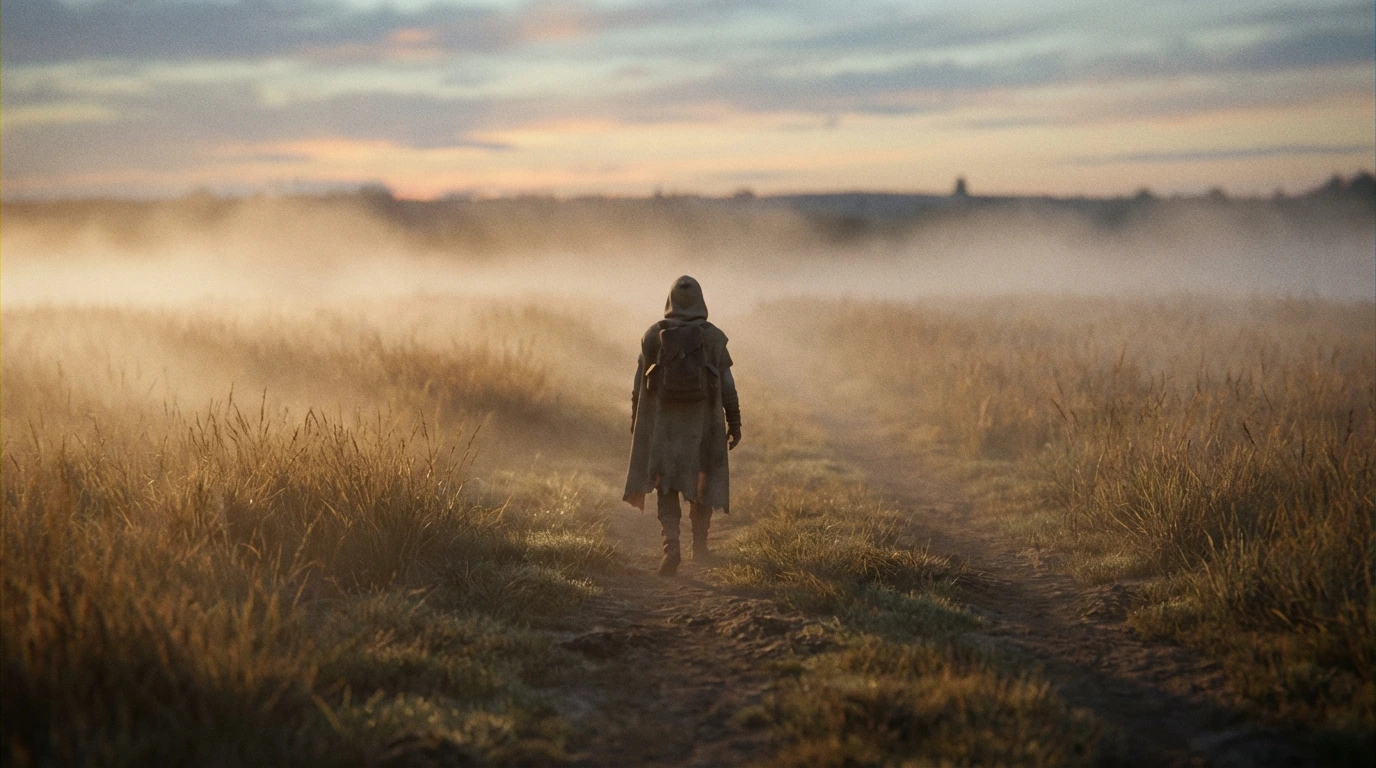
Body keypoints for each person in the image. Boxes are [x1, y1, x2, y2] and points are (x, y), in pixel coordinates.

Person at [623, 276, 741, 576]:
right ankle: (699, 548)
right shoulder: (713, 337)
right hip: (703, 427)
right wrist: (734, 421)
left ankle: (671, 547)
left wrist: (637, 420)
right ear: (701, 299)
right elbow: (728, 384)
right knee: (702, 484)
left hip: (665, 428)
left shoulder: (653, 336)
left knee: (667, 485)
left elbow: (639, 386)